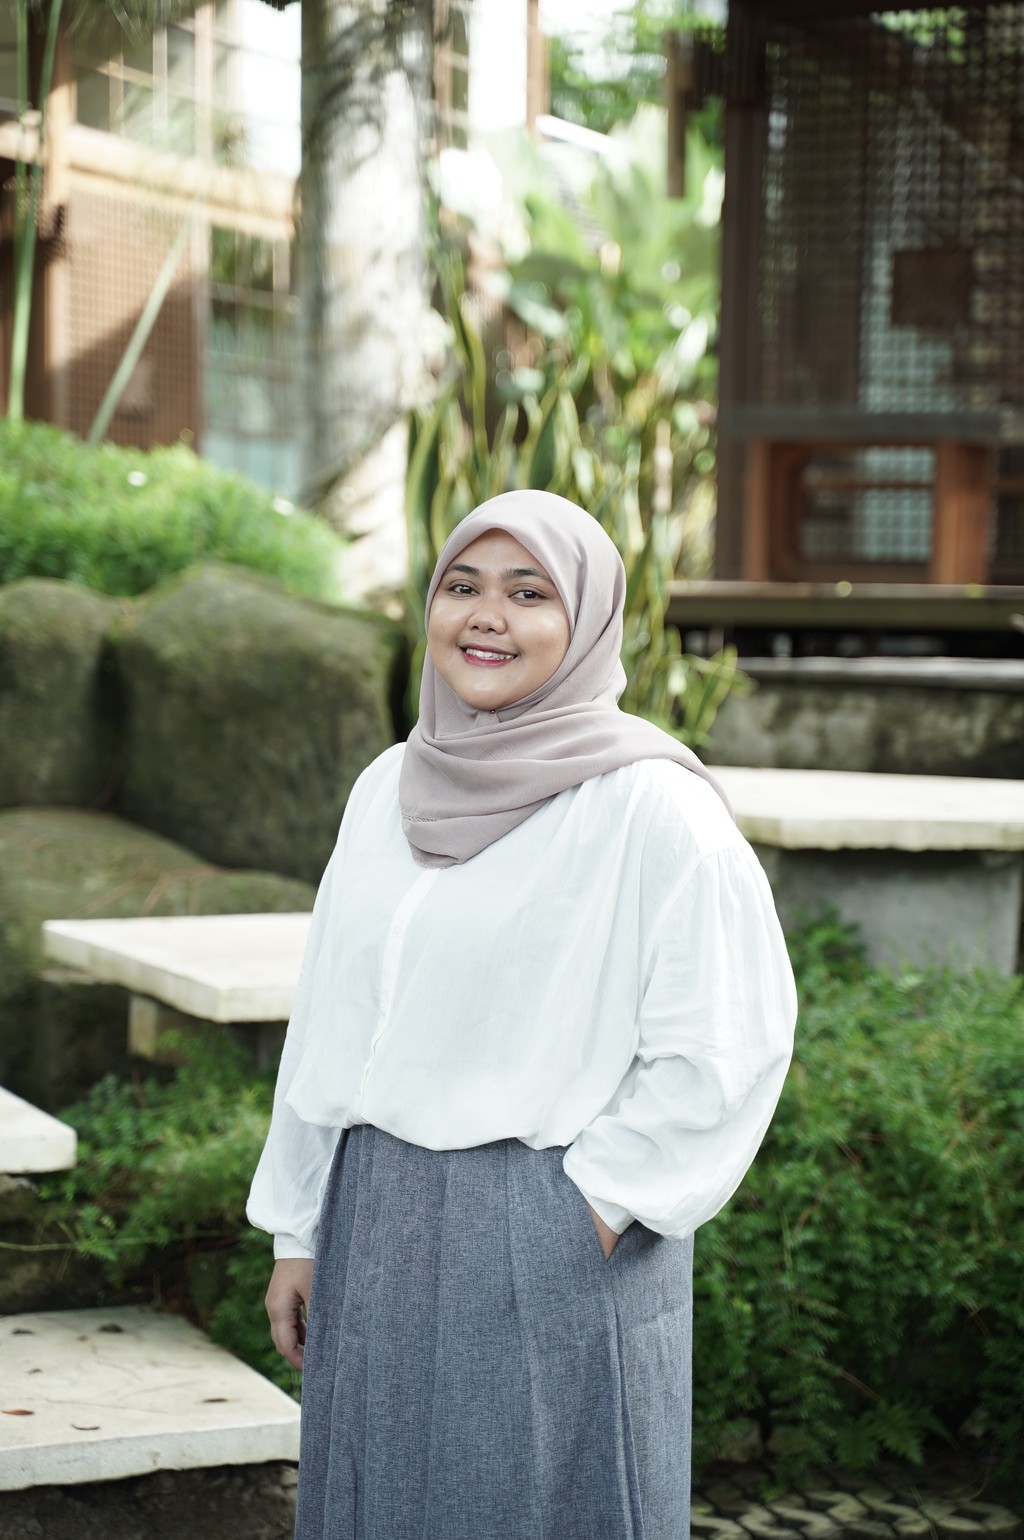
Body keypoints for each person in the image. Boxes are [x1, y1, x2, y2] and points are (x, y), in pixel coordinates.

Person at [247, 489, 797, 1540]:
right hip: (375, 1212)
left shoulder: (649, 805)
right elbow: (332, 1016)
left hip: (545, 1212)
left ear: (586, 622)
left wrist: (587, 1211)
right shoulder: (387, 789)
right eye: (462, 586)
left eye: (528, 592)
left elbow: (725, 1041)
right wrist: (298, 1226)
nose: (485, 616)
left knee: (534, 1504)